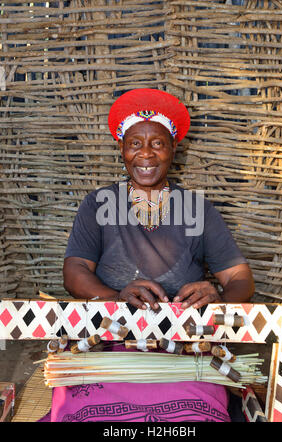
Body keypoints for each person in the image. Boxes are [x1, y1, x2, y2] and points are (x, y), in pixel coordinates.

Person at [44, 88, 255, 422]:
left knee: (194, 413)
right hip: (107, 339)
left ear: (173, 149)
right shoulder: (97, 204)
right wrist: (115, 297)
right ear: (122, 149)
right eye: (135, 143)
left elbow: (240, 277)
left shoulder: (198, 209)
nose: (146, 155)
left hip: (184, 347)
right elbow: (75, 271)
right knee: (83, 408)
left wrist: (218, 299)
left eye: (157, 143)